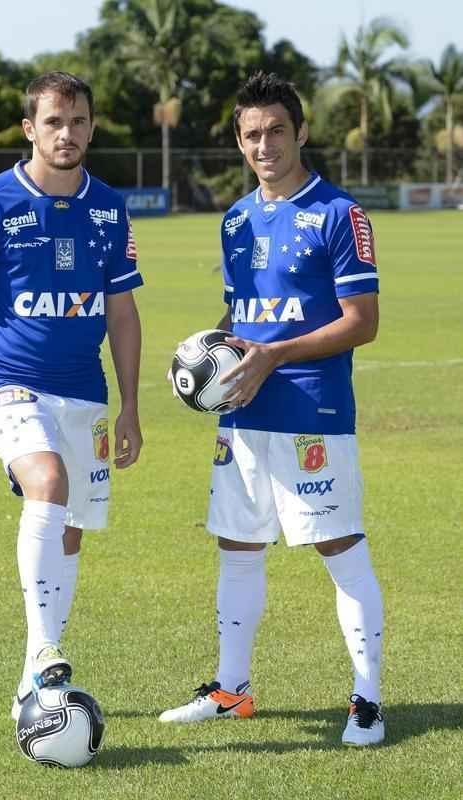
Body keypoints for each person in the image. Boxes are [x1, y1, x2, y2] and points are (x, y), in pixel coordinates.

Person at [160, 72, 384, 746]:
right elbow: (243, 314)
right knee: (237, 546)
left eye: (276, 131)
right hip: (243, 413)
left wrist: (273, 356)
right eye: (251, 135)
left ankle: (365, 701)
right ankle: (232, 691)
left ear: (300, 132)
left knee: (336, 544)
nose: (264, 145)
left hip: (310, 412)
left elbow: (362, 322)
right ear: (238, 140)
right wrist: (210, 357)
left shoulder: (338, 214)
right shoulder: (234, 219)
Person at [0, 72, 143, 721]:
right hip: (9, 385)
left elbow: (123, 314)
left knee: (72, 530)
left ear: (91, 126)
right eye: (53, 122)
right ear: (30, 128)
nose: (67, 133)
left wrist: (132, 406)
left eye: (78, 121)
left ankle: (35, 677)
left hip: (86, 393)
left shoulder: (109, 207)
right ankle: (46, 646)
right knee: (47, 483)